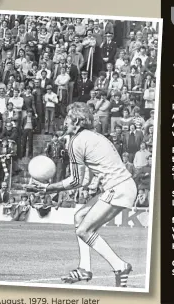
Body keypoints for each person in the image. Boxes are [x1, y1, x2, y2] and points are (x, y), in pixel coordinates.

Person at [24, 102, 136, 288]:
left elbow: (76, 181)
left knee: (84, 230)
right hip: (123, 186)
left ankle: (120, 266)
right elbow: (84, 181)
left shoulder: (76, 142)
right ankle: (86, 267)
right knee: (80, 216)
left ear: (76, 120)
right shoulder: (95, 137)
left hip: (117, 188)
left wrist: (48, 188)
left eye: (68, 118)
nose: (65, 121)